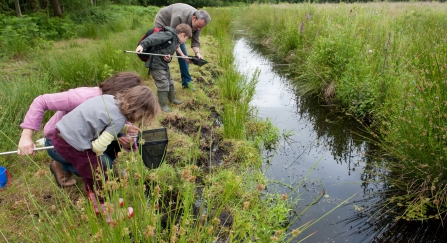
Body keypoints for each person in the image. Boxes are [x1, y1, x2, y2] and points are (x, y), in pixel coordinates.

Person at [52, 85, 159, 221]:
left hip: (61, 133)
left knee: (90, 173)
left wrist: (124, 128)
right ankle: (107, 211)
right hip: (71, 143)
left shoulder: (109, 99)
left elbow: (103, 120)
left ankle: (96, 202)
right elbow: (98, 147)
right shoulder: (119, 119)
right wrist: (115, 134)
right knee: (100, 174)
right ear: (139, 110)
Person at [18, 72, 142, 187]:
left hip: (87, 139)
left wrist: (130, 142)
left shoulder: (120, 107)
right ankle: (61, 165)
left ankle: (104, 166)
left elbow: (126, 127)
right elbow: (41, 101)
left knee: (118, 134)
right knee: (98, 167)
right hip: (60, 142)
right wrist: (26, 137)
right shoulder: (82, 97)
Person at [154, 3, 211, 91]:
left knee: (184, 55)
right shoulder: (179, 16)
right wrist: (182, 54)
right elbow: (173, 38)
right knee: (166, 54)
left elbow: (195, 41)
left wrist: (197, 53)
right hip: (164, 23)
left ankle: (187, 83)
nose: (199, 29)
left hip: (180, 32)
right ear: (194, 18)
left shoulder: (199, 23)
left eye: (201, 27)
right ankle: (167, 85)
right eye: (198, 26)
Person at [136, 23, 192, 112]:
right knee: (163, 83)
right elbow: (152, 39)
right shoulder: (168, 35)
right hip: (156, 64)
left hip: (163, 64)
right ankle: (163, 105)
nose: (185, 41)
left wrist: (169, 59)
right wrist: (142, 45)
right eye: (186, 39)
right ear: (182, 34)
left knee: (170, 81)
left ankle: (172, 99)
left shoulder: (176, 40)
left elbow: (172, 50)